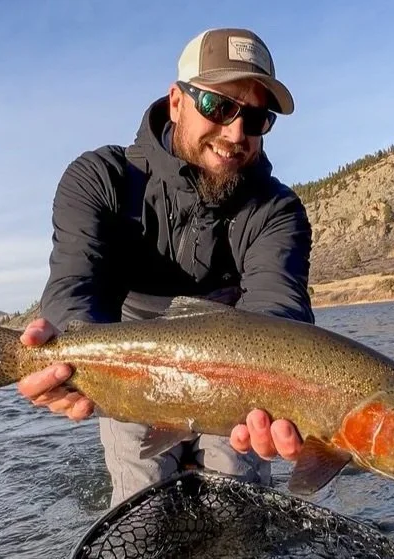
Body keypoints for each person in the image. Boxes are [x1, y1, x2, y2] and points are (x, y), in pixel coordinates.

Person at [16, 27, 315, 507]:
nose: (236, 133)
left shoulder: (277, 211)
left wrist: (288, 396)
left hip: (236, 374)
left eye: (256, 118)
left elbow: (278, 310)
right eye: (219, 107)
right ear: (176, 101)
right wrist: (65, 361)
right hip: (129, 364)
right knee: (142, 504)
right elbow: (76, 283)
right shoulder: (100, 178)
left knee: (239, 505)